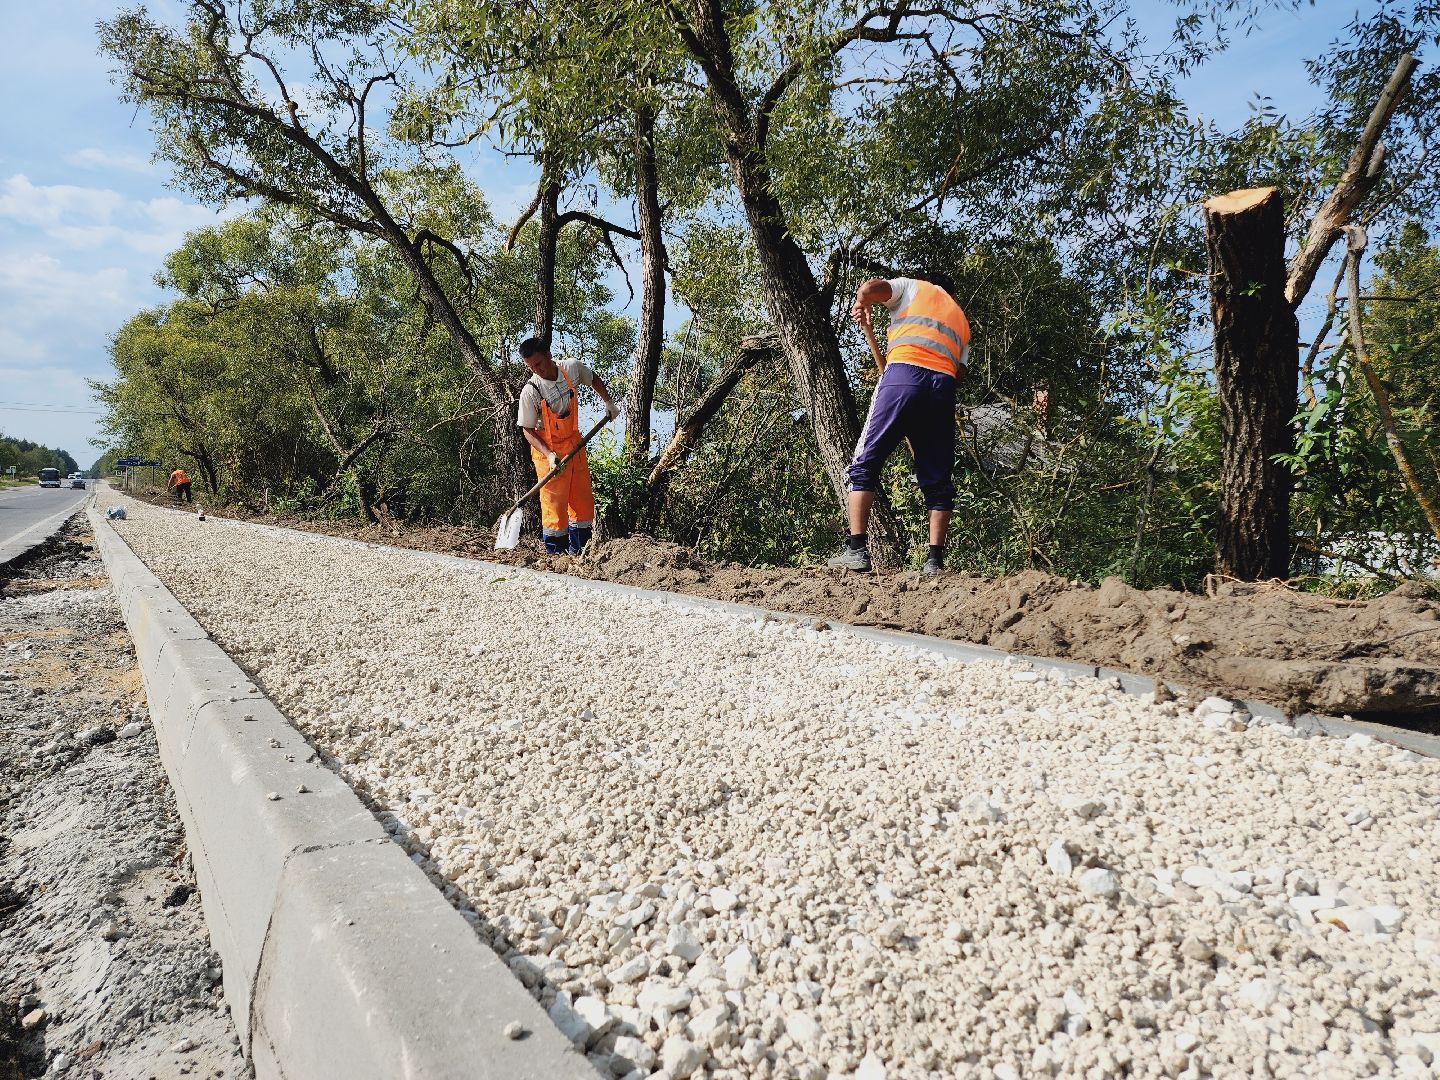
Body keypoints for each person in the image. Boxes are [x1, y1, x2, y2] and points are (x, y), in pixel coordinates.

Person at [828, 272, 970, 576]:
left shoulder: (913, 286)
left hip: (903, 376)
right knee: (938, 477)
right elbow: (959, 374)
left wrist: (862, 302)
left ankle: (856, 550)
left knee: (864, 463)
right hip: (942, 391)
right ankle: (934, 560)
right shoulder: (961, 319)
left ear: (929, 282)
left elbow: (870, 288)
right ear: (952, 294)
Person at [516, 337, 620, 555]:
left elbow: (593, 379)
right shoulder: (531, 391)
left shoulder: (571, 368)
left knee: (582, 501)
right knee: (554, 507)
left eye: (538, 364)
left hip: (574, 445)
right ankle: (556, 557)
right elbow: (527, 430)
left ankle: (580, 553)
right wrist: (549, 454)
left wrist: (608, 402)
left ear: (549, 355)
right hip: (548, 454)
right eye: (531, 367)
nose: (537, 370)